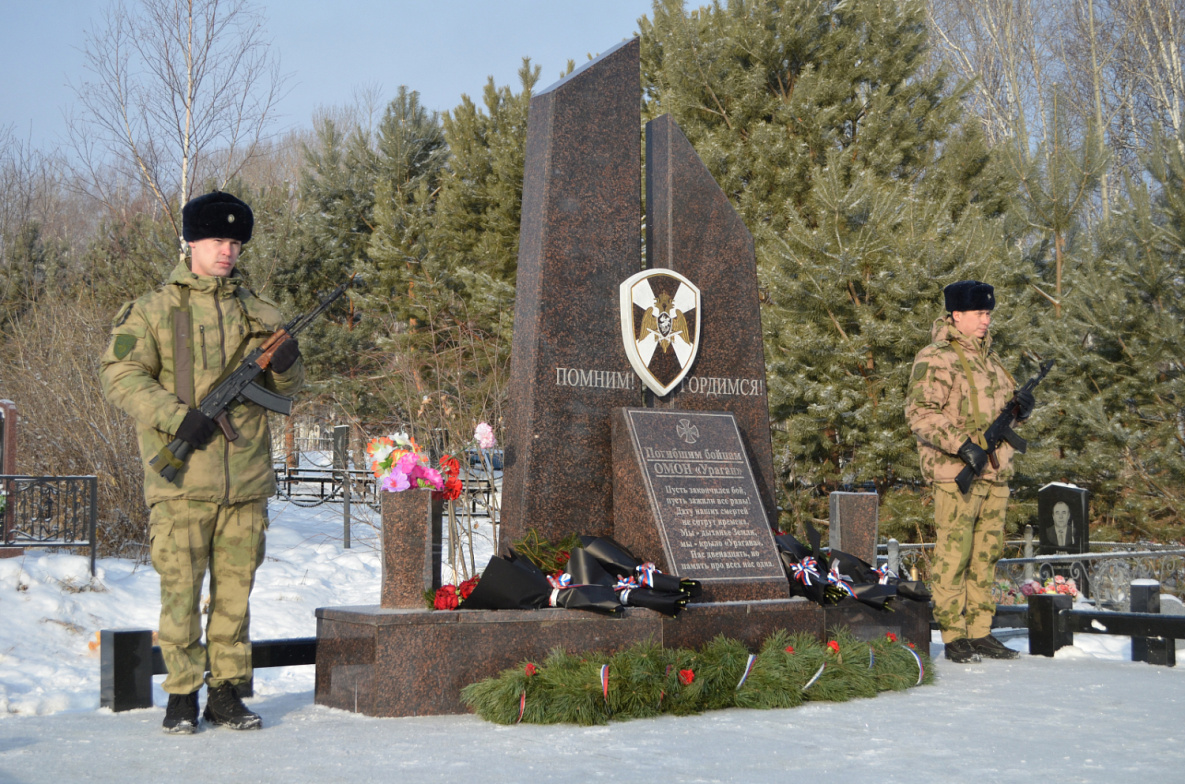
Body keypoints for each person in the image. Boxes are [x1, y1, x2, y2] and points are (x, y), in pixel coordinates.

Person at [101, 191, 304, 733]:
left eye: (236, 242)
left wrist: (285, 367)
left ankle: (226, 693)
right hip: (183, 481)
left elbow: (287, 390)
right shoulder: (152, 310)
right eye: (217, 240)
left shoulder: (261, 314)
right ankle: (182, 695)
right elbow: (119, 376)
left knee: (235, 597)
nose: (228, 251)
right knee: (181, 593)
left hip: (246, 481)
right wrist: (176, 417)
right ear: (190, 242)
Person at [905, 280, 1035, 664]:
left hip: (995, 476)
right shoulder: (935, 357)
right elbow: (920, 413)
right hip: (955, 473)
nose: (985, 320)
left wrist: (1021, 410)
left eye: (988, 313)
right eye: (979, 313)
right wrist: (962, 446)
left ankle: (980, 632)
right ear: (956, 315)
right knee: (953, 555)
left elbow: (1002, 420)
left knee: (987, 556)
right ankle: (953, 635)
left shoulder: (993, 362)